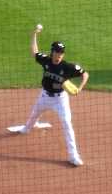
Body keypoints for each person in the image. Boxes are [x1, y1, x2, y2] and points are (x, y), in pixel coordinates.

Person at [19, 25, 89, 166]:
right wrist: (34, 34)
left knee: (67, 124)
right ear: (52, 52)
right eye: (57, 52)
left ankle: (73, 156)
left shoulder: (67, 67)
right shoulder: (45, 60)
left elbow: (85, 74)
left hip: (60, 100)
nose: (59, 55)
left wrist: (80, 88)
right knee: (35, 113)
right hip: (44, 96)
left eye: (61, 53)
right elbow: (34, 52)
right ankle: (27, 128)